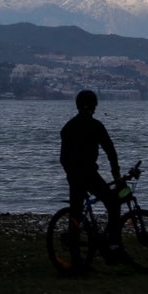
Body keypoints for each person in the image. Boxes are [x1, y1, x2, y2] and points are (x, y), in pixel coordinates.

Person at [60, 89, 123, 268]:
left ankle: (76, 260)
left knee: (76, 214)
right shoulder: (96, 126)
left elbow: (63, 158)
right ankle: (112, 245)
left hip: (74, 176)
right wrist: (116, 174)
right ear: (94, 106)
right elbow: (110, 151)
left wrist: (69, 174)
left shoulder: (68, 127)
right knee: (113, 203)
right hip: (89, 174)